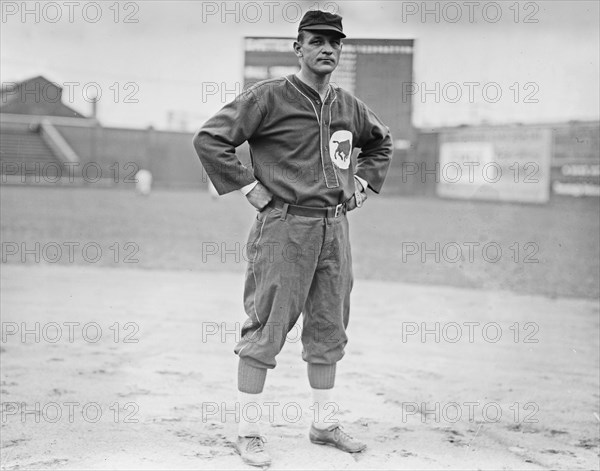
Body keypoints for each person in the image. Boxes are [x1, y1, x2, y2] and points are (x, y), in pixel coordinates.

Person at [193, 10, 393, 467]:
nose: (327, 49)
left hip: (334, 225)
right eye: (317, 41)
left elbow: (381, 142)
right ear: (298, 47)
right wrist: (247, 184)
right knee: (267, 325)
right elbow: (210, 139)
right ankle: (248, 431)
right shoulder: (269, 97)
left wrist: (362, 184)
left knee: (328, 325)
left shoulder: (348, 105)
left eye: (335, 43)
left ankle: (323, 424)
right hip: (284, 225)